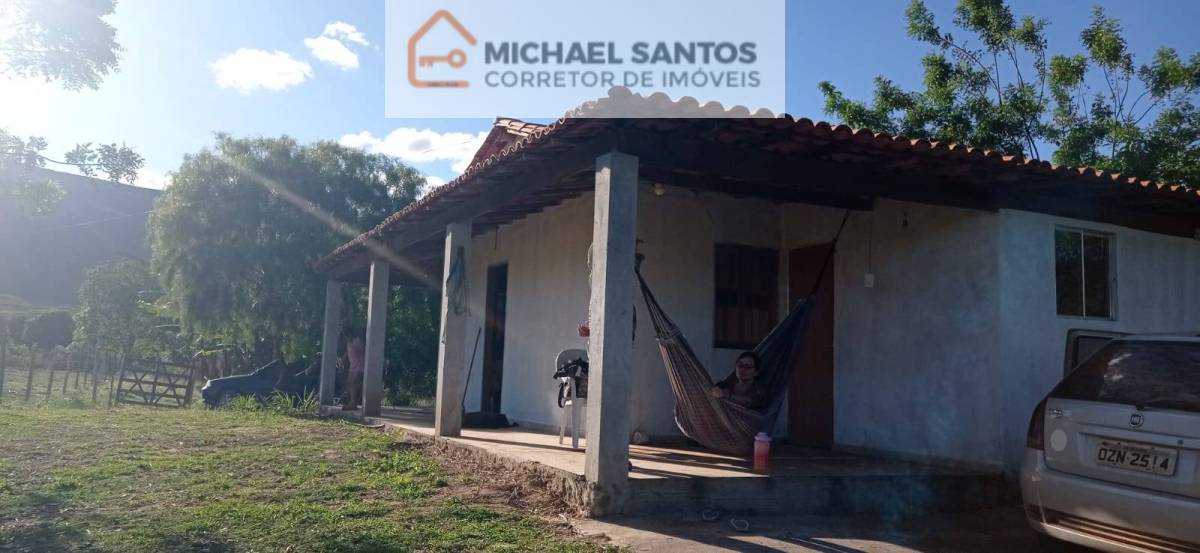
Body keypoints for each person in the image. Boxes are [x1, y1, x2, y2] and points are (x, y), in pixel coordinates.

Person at [342, 335, 365, 410]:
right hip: (353, 366)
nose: (346, 338)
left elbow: (363, 349)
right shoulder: (349, 343)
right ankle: (353, 402)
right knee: (350, 383)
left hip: (359, 366)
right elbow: (349, 351)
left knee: (354, 383)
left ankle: (353, 403)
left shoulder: (357, 341)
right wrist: (345, 356)